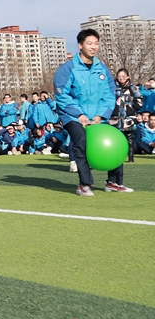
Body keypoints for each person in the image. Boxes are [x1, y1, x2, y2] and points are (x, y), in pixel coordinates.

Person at [54, 28, 132, 196]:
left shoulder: (102, 69)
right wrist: (79, 114)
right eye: (89, 43)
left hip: (97, 116)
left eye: (96, 43)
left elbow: (109, 94)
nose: (93, 47)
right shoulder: (68, 68)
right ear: (80, 45)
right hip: (73, 116)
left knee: (114, 139)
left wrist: (101, 115)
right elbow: (61, 95)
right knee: (80, 140)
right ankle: (84, 184)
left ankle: (114, 182)